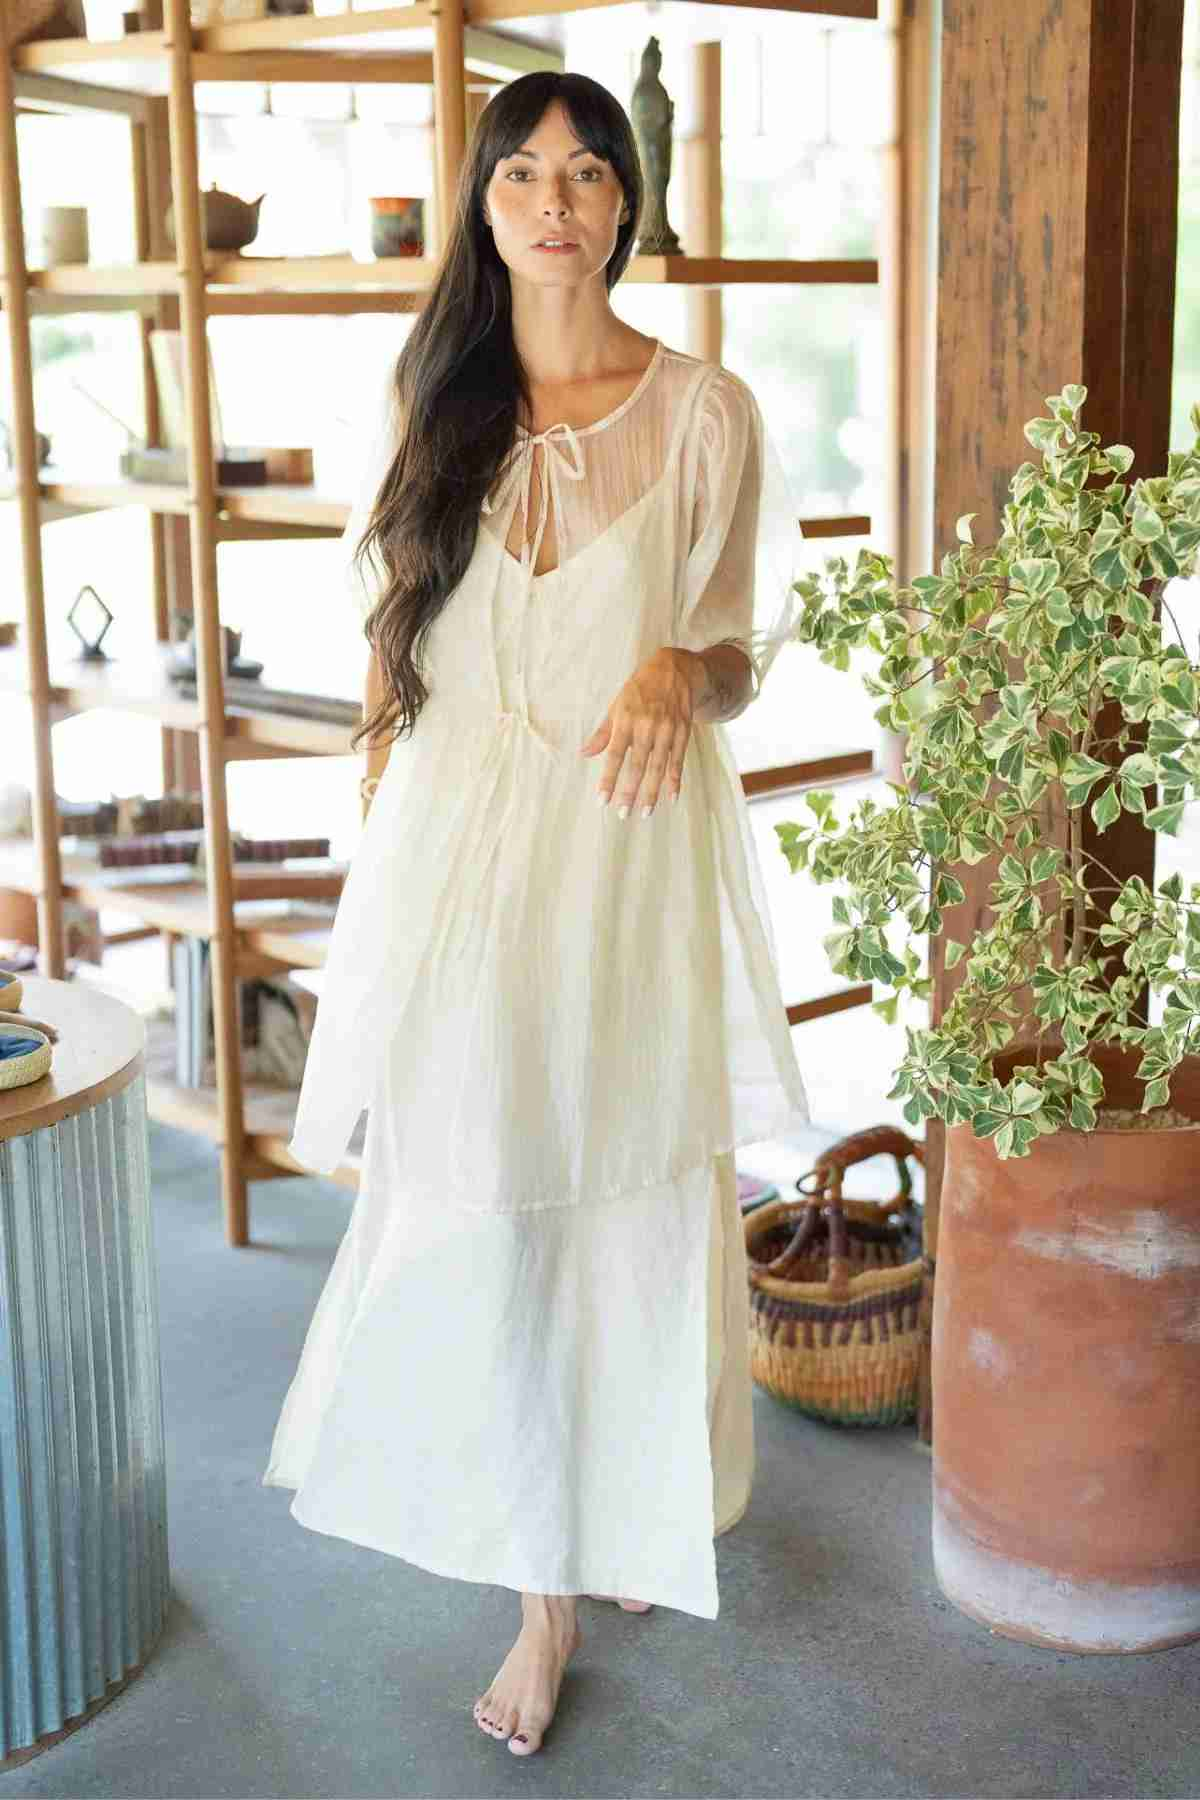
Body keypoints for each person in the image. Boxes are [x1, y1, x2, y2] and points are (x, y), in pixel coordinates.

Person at [262, 69, 810, 1757]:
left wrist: (674, 668)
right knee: (488, 1175)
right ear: (484, 206)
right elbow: (399, 628)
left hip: (629, 844)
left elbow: (735, 649)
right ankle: (544, 1593)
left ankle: (627, 1500)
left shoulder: (709, 411)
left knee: (626, 1168)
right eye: (521, 172)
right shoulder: (439, 394)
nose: (554, 198)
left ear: (626, 204)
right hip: (462, 843)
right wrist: (383, 828)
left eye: (586, 170)